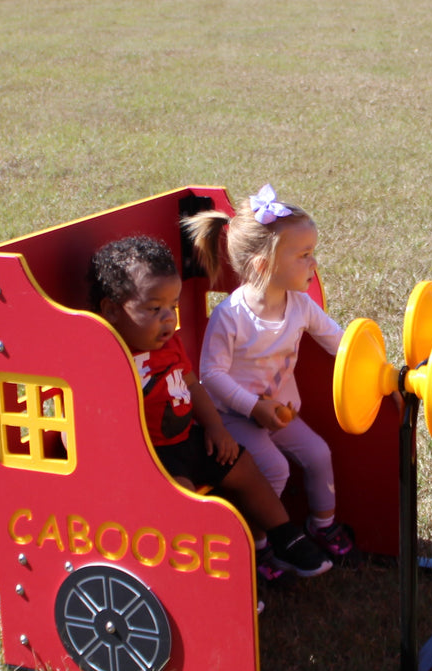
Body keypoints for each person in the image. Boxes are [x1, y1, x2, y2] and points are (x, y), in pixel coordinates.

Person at [89, 235, 331, 578]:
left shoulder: (170, 344)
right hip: (152, 457)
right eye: (152, 309)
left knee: (244, 465)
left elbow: (192, 385)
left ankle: (284, 537)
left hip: (189, 438)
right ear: (112, 310)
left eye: (171, 307)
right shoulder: (109, 357)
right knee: (182, 500)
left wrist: (216, 428)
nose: (167, 320)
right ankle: (206, 578)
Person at [184, 184, 354, 562]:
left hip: (279, 413)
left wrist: (379, 371)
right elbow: (210, 374)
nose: (314, 264)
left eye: (313, 254)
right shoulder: (232, 316)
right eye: (304, 255)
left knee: (318, 454)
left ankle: (321, 527)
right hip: (232, 416)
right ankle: (259, 548)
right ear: (263, 265)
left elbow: (339, 342)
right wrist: (252, 407)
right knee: (274, 470)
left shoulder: (300, 305)